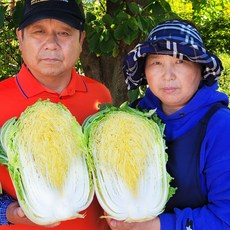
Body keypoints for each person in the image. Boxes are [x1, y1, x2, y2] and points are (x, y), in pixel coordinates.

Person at [106, 20, 230, 230]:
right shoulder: (132, 118)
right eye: (156, 63)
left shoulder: (221, 126)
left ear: (200, 69)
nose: (168, 75)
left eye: (180, 62)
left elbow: (225, 219)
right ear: (144, 71)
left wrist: (155, 225)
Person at [0, 0, 112, 229]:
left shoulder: (100, 95)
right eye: (38, 32)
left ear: (81, 40)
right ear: (20, 38)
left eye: (64, 33)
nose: (51, 44)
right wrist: (9, 212)